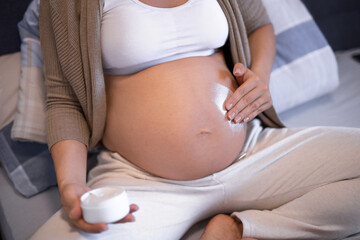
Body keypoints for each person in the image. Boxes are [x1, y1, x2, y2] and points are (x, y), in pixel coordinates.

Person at [31, 0, 360, 239]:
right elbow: (64, 98)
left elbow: (259, 25)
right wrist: (71, 185)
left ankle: (240, 230)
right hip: (144, 181)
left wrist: (259, 76)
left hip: (253, 153)